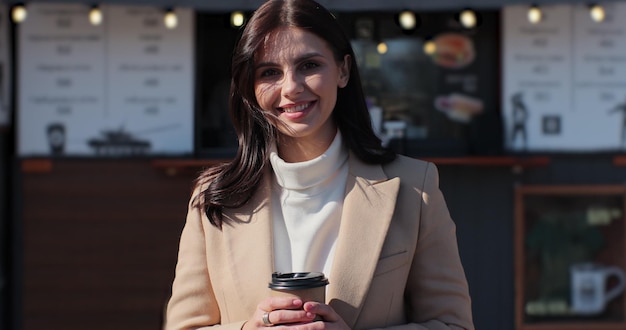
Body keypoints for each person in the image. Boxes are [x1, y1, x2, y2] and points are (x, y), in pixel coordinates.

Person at [164, 0, 474, 329]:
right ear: (250, 87)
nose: (291, 87)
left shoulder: (414, 186)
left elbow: (452, 324)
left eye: (309, 65)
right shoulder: (213, 199)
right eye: (269, 72)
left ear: (343, 70)